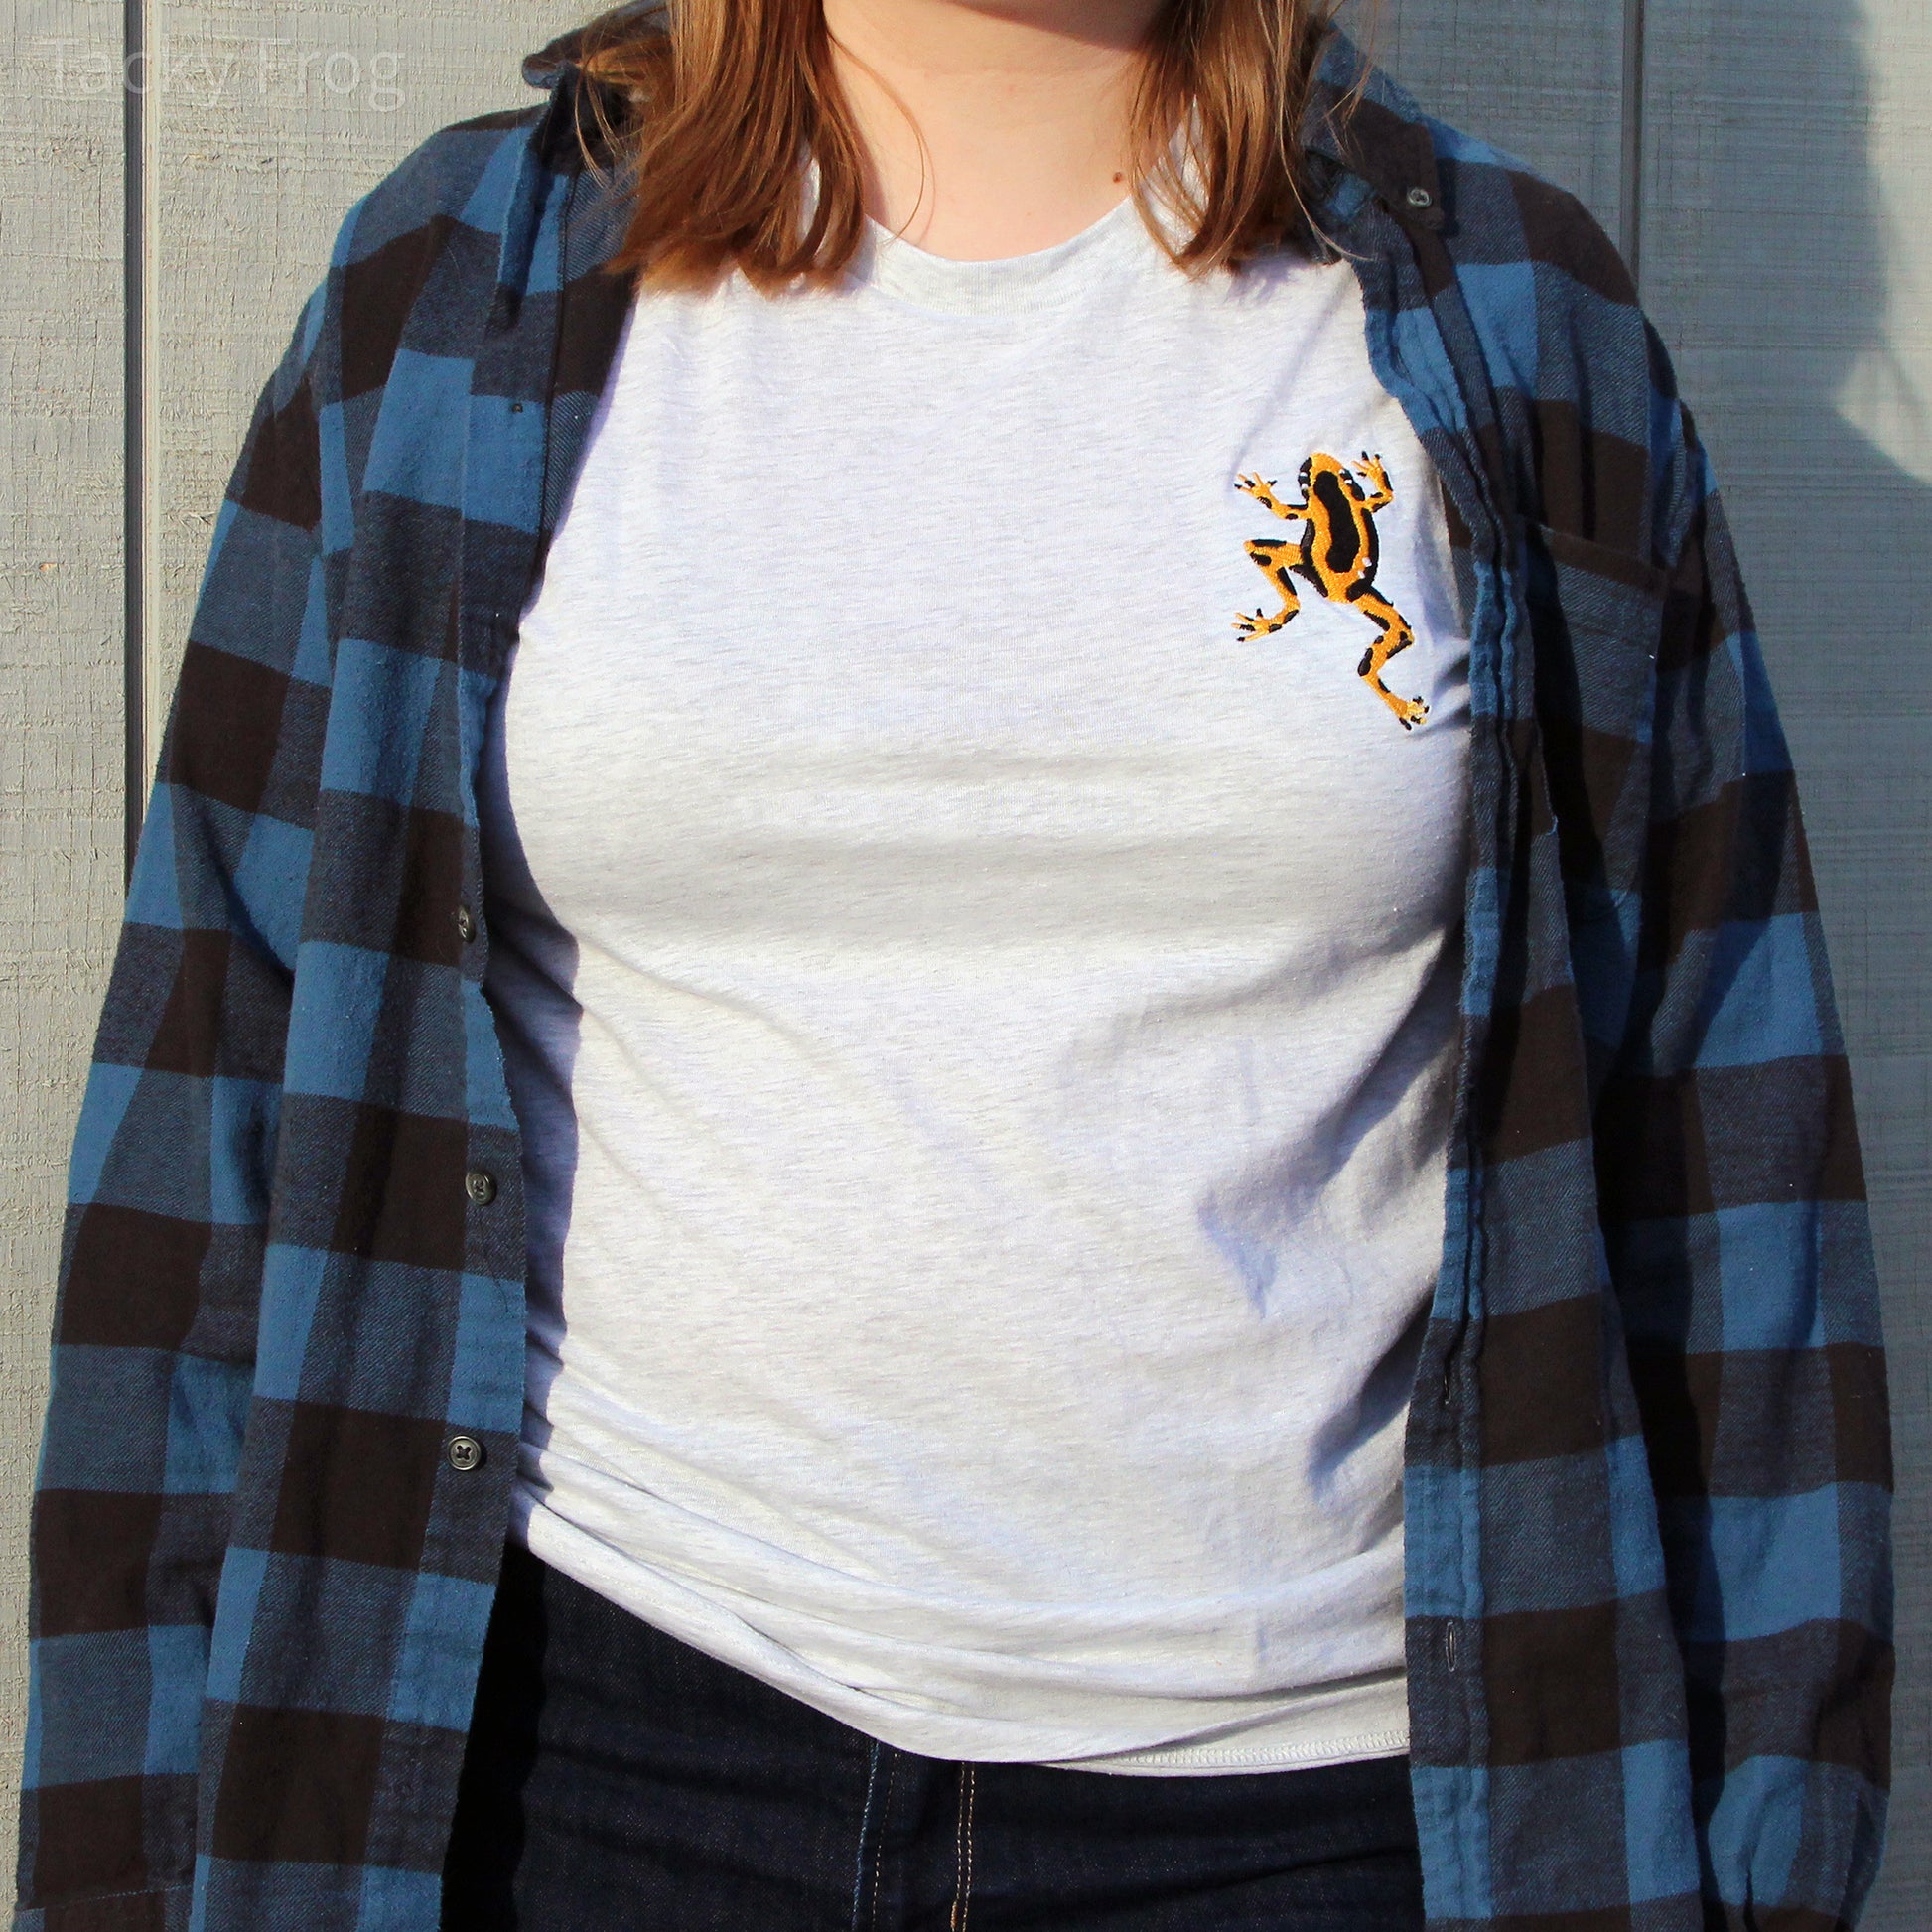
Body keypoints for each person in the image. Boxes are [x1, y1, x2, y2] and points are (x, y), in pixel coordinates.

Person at [14, 0, 1894, 1927]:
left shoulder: (1505, 324)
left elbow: (1730, 1188)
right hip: (590, 1764)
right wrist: (123, 1866)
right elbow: (213, 1120)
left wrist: (1768, 1868)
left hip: (1330, 1816)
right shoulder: (455, 291)